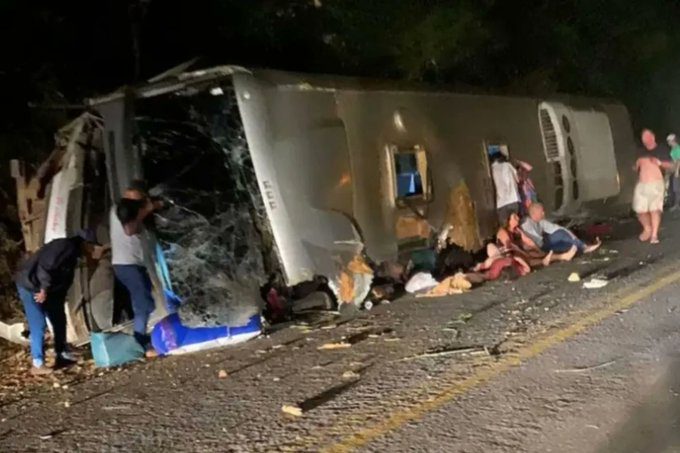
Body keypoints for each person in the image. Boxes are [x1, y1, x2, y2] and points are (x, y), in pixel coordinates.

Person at [15, 230, 99, 375]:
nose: (93, 250)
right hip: (31, 285)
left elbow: (62, 277)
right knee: (38, 324)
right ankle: (37, 363)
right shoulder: (64, 246)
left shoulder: (73, 254)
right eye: (92, 246)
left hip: (48, 289)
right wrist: (43, 289)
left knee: (59, 319)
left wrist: (57, 296)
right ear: (85, 243)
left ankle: (62, 355)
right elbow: (45, 267)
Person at [111, 186, 162, 351]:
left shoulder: (124, 210)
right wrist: (146, 210)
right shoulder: (123, 211)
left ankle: (141, 337)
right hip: (128, 265)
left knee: (143, 303)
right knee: (144, 305)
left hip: (133, 264)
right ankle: (140, 342)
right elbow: (130, 230)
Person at [634, 129, 673, 243]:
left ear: (653, 137)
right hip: (642, 183)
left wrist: (659, 163)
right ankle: (647, 228)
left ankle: (654, 235)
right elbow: (635, 167)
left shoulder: (661, 150)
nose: (646, 139)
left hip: (656, 183)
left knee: (654, 209)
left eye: (648, 136)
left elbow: (671, 166)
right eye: (644, 137)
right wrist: (637, 165)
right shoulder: (640, 151)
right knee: (639, 210)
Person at [496, 213, 577, 267]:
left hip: (519, 252)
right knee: (528, 257)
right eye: (514, 217)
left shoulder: (517, 230)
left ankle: (562, 256)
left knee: (535, 253)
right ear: (508, 220)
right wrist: (525, 254)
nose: (518, 218)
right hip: (509, 255)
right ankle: (551, 259)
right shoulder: (503, 232)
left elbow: (528, 240)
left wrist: (538, 250)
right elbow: (511, 247)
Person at [521, 203, 601, 254]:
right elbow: (532, 243)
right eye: (541, 212)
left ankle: (584, 246)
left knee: (564, 238)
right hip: (539, 247)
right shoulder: (527, 224)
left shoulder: (541, 221)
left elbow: (556, 228)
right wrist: (541, 253)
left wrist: (571, 235)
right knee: (561, 235)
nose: (543, 213)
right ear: (534, 213)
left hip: (544, 242)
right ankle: (583, 247)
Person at [490, 153, 521, 225]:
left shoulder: (491, 169)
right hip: (513, 199)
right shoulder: (507, 165)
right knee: (514, 224)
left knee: (504, 224)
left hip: (501, 203)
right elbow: (517, 179)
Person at [667, 133, 680, 211]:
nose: (668, 143)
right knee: (674, 187)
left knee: (676, 188)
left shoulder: (678, 149)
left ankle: (677, 205)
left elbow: (678, 160)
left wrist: (677, 171)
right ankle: (676, 204)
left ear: (673, 140)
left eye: (669, 141)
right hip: (674, 170)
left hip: (677, 170)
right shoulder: (673, 149)